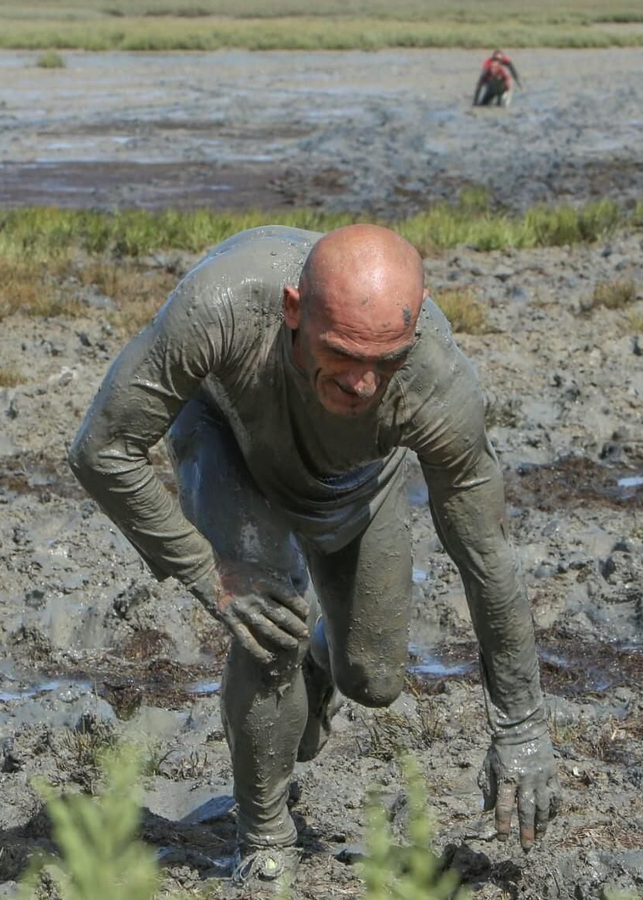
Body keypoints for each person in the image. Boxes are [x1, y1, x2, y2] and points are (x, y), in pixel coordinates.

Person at [68, 224, 559, 888]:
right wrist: (207, 569)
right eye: (341, 355)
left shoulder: (436, 385)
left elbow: (486, 554)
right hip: (228, 441)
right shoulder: (222, 307)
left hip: (358, 480)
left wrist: (521, 728)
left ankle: (324, 670)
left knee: (375, 680)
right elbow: (102, 447)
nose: (361, 385)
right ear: (294, 311)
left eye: (383, 363)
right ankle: (265, 836)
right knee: (270, 628)